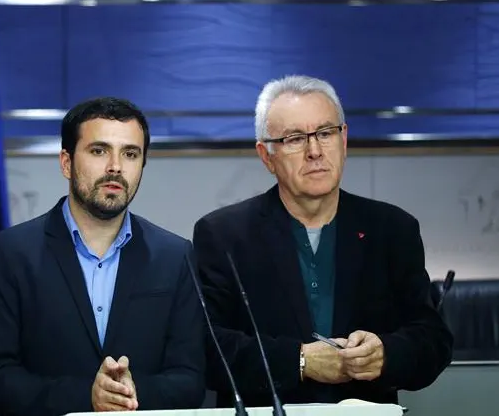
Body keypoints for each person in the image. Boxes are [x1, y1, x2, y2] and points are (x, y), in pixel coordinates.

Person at [193, 75, 453, 406]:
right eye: (295, 139)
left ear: (344, 140)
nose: (315, 151)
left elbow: (433, 339)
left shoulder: (392, 229)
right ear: (266, 155)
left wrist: (385, 355)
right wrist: (300, 361)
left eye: (325, 133)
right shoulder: (223, 235)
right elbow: (205, 348)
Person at [0, 97, 206, 416]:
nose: (116, 167)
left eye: (130, 154)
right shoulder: (8, 255)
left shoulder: (175, 256)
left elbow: (190, 380)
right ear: (66, 162)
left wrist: (131, 394)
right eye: (99, 151)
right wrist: (86, 397)